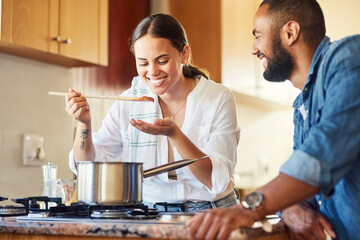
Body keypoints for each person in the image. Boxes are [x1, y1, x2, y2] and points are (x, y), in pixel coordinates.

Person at [188, 0, 360, 239]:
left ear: (290, 32)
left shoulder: (349, 57)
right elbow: (303, 190)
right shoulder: (302, 107)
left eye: (257, 36)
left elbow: (324, 155)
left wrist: (248, 209)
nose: (253, 49)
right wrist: (292, 207)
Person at [65, 13, 240, 211]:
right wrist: (84, 124)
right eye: (143, 63)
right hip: (149, 212)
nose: (152, 71)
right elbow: (88, 166)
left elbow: (215, 179)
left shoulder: (218, 98)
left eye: (162, 60)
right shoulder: (131, 100)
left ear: (185, 54)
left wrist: (175, 134)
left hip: (212, 209)